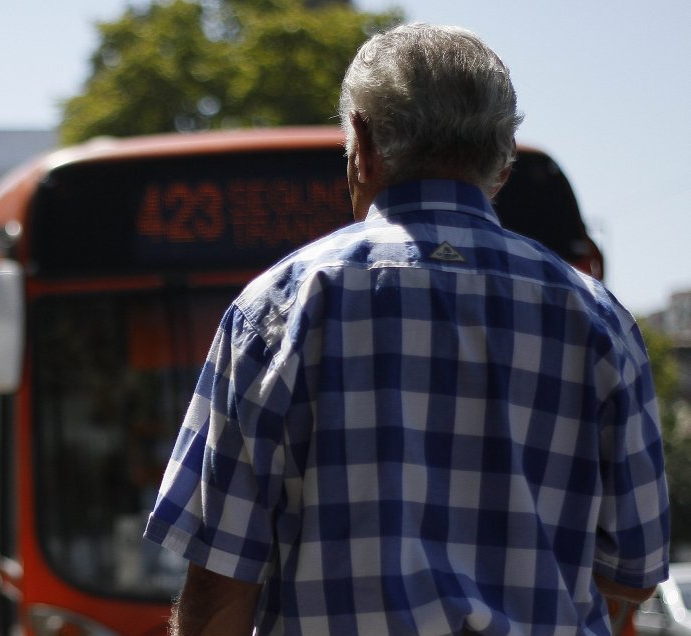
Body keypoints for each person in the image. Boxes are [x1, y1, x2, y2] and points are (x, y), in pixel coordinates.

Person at [143, 22, 669, 635]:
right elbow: (634, 570)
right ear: (502, 162)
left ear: (360, 142)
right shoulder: (601, 324)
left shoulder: (278, 310)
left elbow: (219, 592)